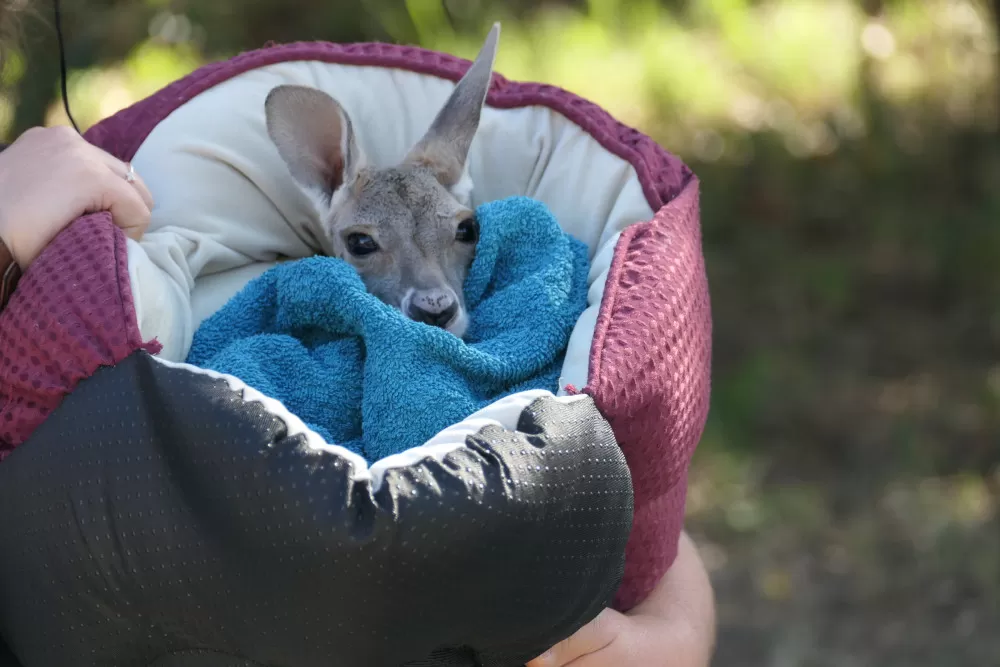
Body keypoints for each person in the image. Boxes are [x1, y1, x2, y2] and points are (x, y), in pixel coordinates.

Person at [0, 3, 716, 666]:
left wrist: (669, 632)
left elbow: (642, 477)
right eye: (369, 245)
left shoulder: (515, 276)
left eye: (460, 235)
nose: (430, 286)